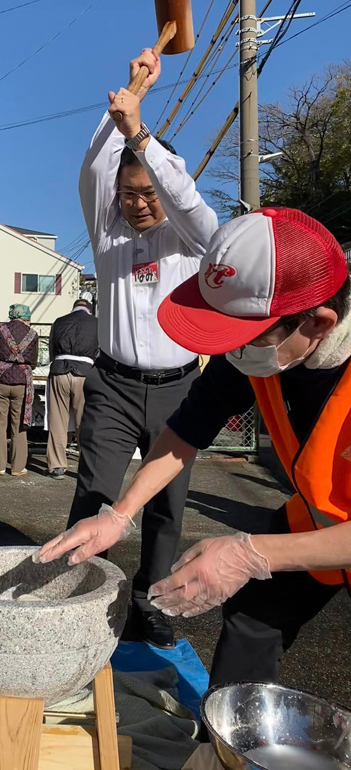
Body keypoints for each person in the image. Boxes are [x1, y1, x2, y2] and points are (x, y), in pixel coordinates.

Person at [35, 207, 351, 688]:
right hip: (320, 516)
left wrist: (251, 554)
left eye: (245, 336)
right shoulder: (255, 352)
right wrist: (119, 513)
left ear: (318, 324)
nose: (232, 351)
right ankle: (227, 749)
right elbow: (186, 430)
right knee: (254, 615)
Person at [69, 47, 218, 647]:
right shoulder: (107, 238)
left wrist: (145, 136)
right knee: (96, 494)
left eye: (150, 190)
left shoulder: (190, 241)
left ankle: (149, 602)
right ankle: (78, 594)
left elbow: (199, 215)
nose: (139, 201)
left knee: (165, 509)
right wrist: (133, 95)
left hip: (180, 389)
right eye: (129, 193)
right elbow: (94, 166)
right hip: (113, 385)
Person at [0, 304, 38, 477]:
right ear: (26, 317)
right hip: (22, 383)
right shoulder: (33, 334)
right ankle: (17, 467)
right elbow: (34, 363)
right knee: (19, 423)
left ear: (11, 315)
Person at [46, 299, 98, 479]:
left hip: (59, 369)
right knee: (84, 421)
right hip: (85, 373)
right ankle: (85, 466)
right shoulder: (97, 323)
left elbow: (51, 349)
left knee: (57, 420)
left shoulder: (59, 321)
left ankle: (57, 466)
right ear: (88, 310)